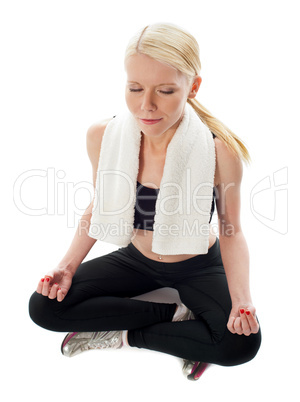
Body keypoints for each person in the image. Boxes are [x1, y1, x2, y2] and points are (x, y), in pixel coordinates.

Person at [29, 22, 261, 381]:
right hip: (135, 260)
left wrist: (242, 300)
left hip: (198, 264)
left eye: (166, 90)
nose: (146, 104)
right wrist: (67, 266)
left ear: (193, 87)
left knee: (241, 344)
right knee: (44, 307)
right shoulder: (103, 136)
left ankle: (123, 335)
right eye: (135, 88)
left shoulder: (218, 152)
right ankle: (175, 320)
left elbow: (231, 232)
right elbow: (98, 206)